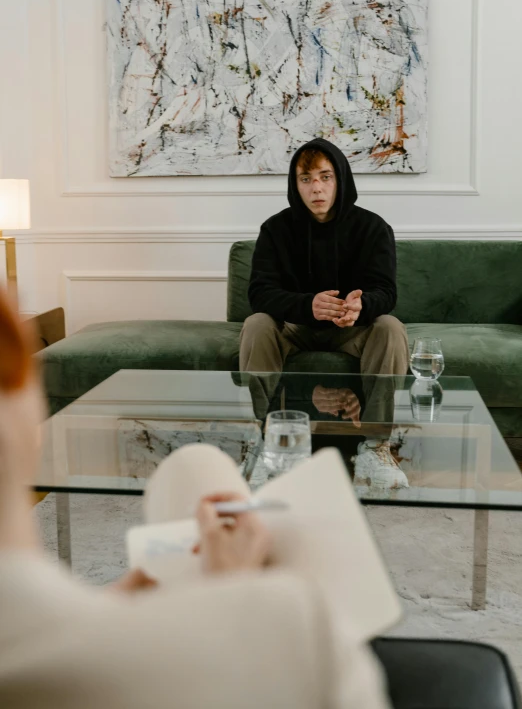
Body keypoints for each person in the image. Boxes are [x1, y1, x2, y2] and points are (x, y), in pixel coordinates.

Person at [0, 287, 390, 709]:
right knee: (204, 472)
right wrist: (234, 595)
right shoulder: (294, 624)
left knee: (194, 466)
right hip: (264, 646)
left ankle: (347, 446)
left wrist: (110, 605)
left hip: (80, 619)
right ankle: (274, 463)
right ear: (18, 382)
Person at [240, 138, 410, 376]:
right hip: (294, 328)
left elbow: (386, 293)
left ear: (340, 179)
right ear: (295, 185)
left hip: (353, 329)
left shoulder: (373, 227)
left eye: (326, 177)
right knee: (257, 324)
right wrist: (308, 306)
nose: (316, 188)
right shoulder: (275, 228)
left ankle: (376, 415)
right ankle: (258, 414)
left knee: (390, 327)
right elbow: (260, 295)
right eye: (306, 179)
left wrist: (361, 305)